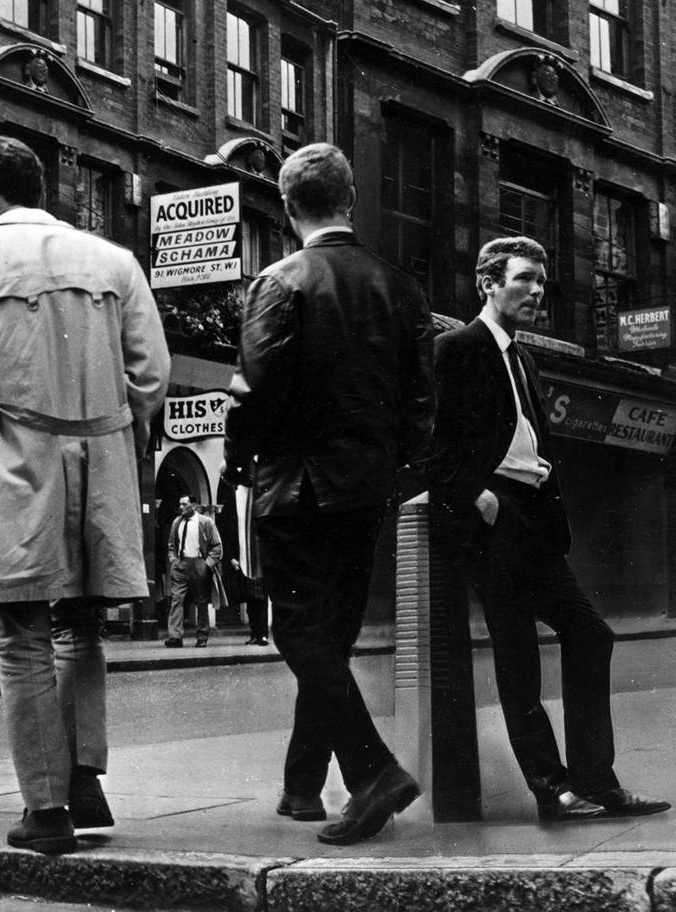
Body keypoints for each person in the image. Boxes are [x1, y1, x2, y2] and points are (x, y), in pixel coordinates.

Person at [0, 134, 170, 855]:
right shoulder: (115, 261)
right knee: (81, 625)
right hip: (102, 462)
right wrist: (110, 436)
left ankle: (47, 808)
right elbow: (151, 377)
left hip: (13, 460)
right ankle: (84, 779)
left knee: (18, 631)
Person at [220, 142, 434, 846]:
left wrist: (239, 461)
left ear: (288, 209)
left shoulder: (279, 281)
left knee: (298, 633)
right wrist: (391, 469)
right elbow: (419, 403)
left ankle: (373, 772)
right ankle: (303, 785)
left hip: (297, 488)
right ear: (349, 200)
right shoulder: (400, 287)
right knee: (332, 636)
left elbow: (256, 390)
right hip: (366, 487)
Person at [416, 236, 670, 822]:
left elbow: (519, 429)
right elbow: (425, 437)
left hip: (533, 517)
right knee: (518, 657)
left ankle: (596, 782)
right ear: (489, 282)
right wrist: (475, 495)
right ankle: (552, 789)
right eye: (524, 278)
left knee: (590, 634)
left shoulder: (523, 358)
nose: (536, 291)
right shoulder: (457, 347)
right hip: (493, 518)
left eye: (540, 281)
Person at [165, 495, 223, 648]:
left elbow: (217, 546)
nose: (181, 507)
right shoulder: (177, 522)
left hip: (199, 563)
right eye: (180, 504)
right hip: (181, 563)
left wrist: (207, 564)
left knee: (201, 601)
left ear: (194, 505)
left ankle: (202, 636)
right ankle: (175, 637)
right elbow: (171, 544)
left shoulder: (205, 522)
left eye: (184, 504)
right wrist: (174, 560)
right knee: (176, 599)